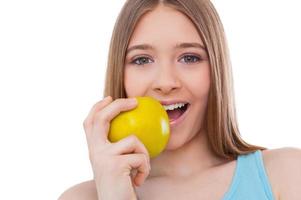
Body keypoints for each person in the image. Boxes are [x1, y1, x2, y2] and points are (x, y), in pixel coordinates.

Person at [59, 0, 301, 199]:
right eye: (142, 60)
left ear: (216, 69)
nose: (165, 82)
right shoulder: (84, 197)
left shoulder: (287, 174)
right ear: (120, 74)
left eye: (189, 58)